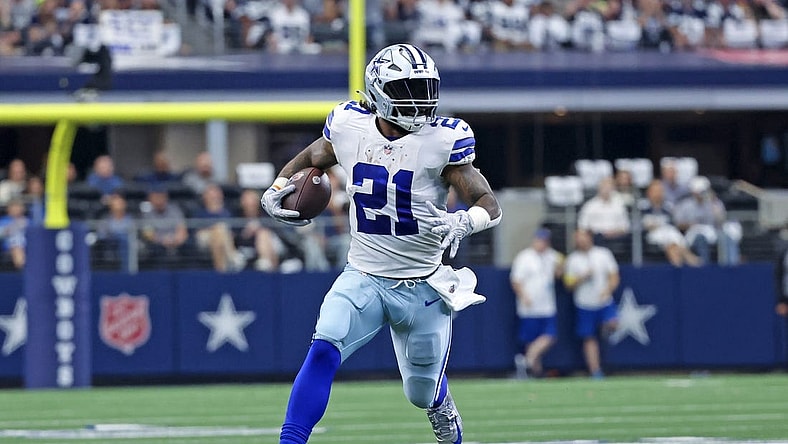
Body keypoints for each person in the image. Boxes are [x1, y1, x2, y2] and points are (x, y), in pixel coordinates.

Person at [261, 43, 502, 444]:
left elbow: (489, 204)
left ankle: (441, 402)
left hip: (422, 284)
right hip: (364, 276)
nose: (421, 101)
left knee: (420, 392)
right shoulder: (348, 125)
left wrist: (465, 221)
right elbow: (310, 159)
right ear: (379, 91)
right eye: (409, 89)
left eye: (425, 88)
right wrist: (277, 186)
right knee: (324, 345)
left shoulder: (443, 139)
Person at [563, 228, 620, 379]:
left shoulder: (603, 254)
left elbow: (614, 276)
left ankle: (605, 335)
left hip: (603, 301)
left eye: (583, 237)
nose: (580, 241)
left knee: (613, 323)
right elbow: (568, 284)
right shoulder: (573, 259)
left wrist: (607, 290)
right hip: (584, 304)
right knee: (589, 337)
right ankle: (595, 370)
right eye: (577, 238)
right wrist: (581, 278)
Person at [510, 228, 564, 379]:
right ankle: (534, 372)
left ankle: (526, 362)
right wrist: (524, 296)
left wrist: (560, 267)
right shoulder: (525, 257)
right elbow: (516, 280)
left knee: (549, 335)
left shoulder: (552, 256)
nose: (542, 243)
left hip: (546, 305)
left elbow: (560, 274)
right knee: (530, 340)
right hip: (529, 307)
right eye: (540, 240)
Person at [672, 176, 740, 266]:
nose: (701, 194)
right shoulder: (685, 205)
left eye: (703, 191)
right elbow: (678, 224)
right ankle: (704, 267)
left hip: (712, 232)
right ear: (693, 192)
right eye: (699, 191)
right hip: (692, 234)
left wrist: (713, 202)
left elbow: (721, 220)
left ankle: (731, 266)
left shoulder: (714, 203)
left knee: (726, 236)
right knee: (700, 238)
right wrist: (690, 225)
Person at [640, 180, 700, 267]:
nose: (658, 194)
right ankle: (689, 257)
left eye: (660, 191)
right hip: (650, 236)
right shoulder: (642, 206)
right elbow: (638, 225)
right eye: (655, 191)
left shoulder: (668, 207)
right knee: (669, 234)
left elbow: (673, 224)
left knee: (672, 240)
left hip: (668, 236)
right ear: (649, 192)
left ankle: (678, 267)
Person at [193, 183, 246, 273]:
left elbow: (234, 230)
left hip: (224, 239)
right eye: (212, 194)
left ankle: (221, 271)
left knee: (219, 237)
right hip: (204, 238)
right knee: (219, 230)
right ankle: (233, 257)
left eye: (217, 193)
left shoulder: (228, 212)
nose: (215, 197)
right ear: (205, 197)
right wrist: (215, 229)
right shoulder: (200, 212)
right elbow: (196, 231)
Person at [235, 188, 285, 272]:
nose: (250, 204)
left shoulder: (266, 216)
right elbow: (234, 236)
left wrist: (258, 228)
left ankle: (268, 266)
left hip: (272, 245)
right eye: (247, 201)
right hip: (245, 248)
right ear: (242, 203)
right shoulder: (237, 218)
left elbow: (277, 233)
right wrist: (245, 233)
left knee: (263, 234)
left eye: (252, 201)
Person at [139, 187, 189, 264]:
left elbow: (182, 229)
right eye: (156, 197)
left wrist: (175, 240)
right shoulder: (147, 214)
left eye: (161, 197)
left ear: (166, 197)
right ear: (150, 199)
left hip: (176, 243)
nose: (159, 200)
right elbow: (148, 234)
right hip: (157, 246)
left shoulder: (175, 210)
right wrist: (162, 240)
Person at [96, 192, 135, 272]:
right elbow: (101, 236)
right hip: (111, 246)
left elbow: (134, 234)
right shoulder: (105, 220)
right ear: (110, 204)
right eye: (115, 199)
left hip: (126, 247)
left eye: (120, 200)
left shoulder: (130, 219)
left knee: (124, 241)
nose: (118, 202)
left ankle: (127, 272)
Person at [0, 198, 28, 269]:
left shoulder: (28, 221)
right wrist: (14, 226)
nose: (16, 209)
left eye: (18, 206)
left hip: (28, 247)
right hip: (10, 248)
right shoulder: (3, 221)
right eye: (13, 207)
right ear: (8, 209)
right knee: (17, 247)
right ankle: (22, 271)